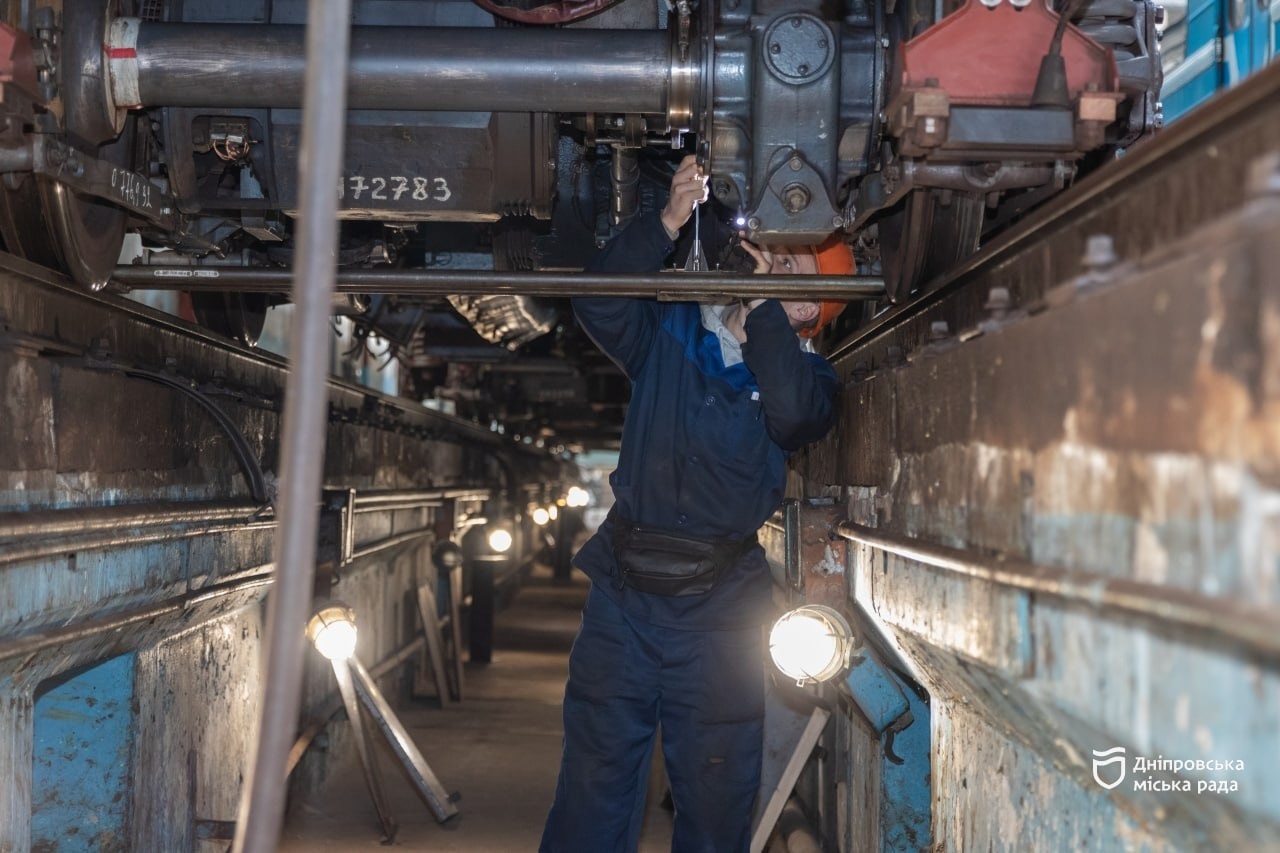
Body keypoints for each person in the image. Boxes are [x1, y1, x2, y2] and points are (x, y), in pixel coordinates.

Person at [540, 154, 852, 853]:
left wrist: (764, 312)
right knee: (593, 782)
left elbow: (794, 417)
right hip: (624, 595)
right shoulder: (673, 333)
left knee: (715, 797)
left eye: (791, 267)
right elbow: (598, 302)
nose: (768, 262)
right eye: (769, 252)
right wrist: (665, 224)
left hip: (719, 612)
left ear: (810, 308)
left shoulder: (809, 379)